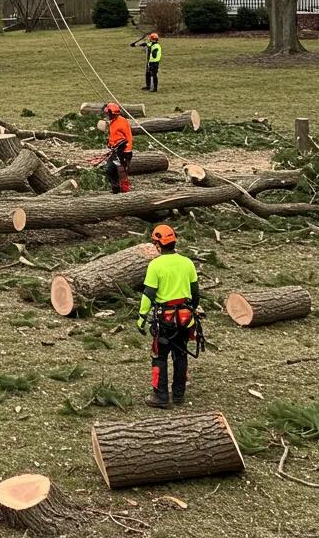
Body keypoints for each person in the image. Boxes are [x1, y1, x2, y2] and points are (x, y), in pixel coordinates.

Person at [136, 224, 201, 409]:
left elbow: (149, 294)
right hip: (184, 317)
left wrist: (141, 318)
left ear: (157, 244)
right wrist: (193, 310)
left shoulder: (155, 265)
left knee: (160, 356)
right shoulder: (187, 263)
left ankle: (161, 396)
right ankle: (179, 394)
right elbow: (195, 293)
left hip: (165, 319)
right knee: (180, 354)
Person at [102, 101, 133, 194]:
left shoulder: (122, 122)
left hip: (124, 151)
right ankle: (115, 188)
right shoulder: (113, 122)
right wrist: (110, 144)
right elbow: (114, 136)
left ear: (113, 113)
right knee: (109, 170)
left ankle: (124, 191)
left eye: (108, 113)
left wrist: (120, 147)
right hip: (115, 150)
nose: (107, 115)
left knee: (121, 172)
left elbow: (126, 139)